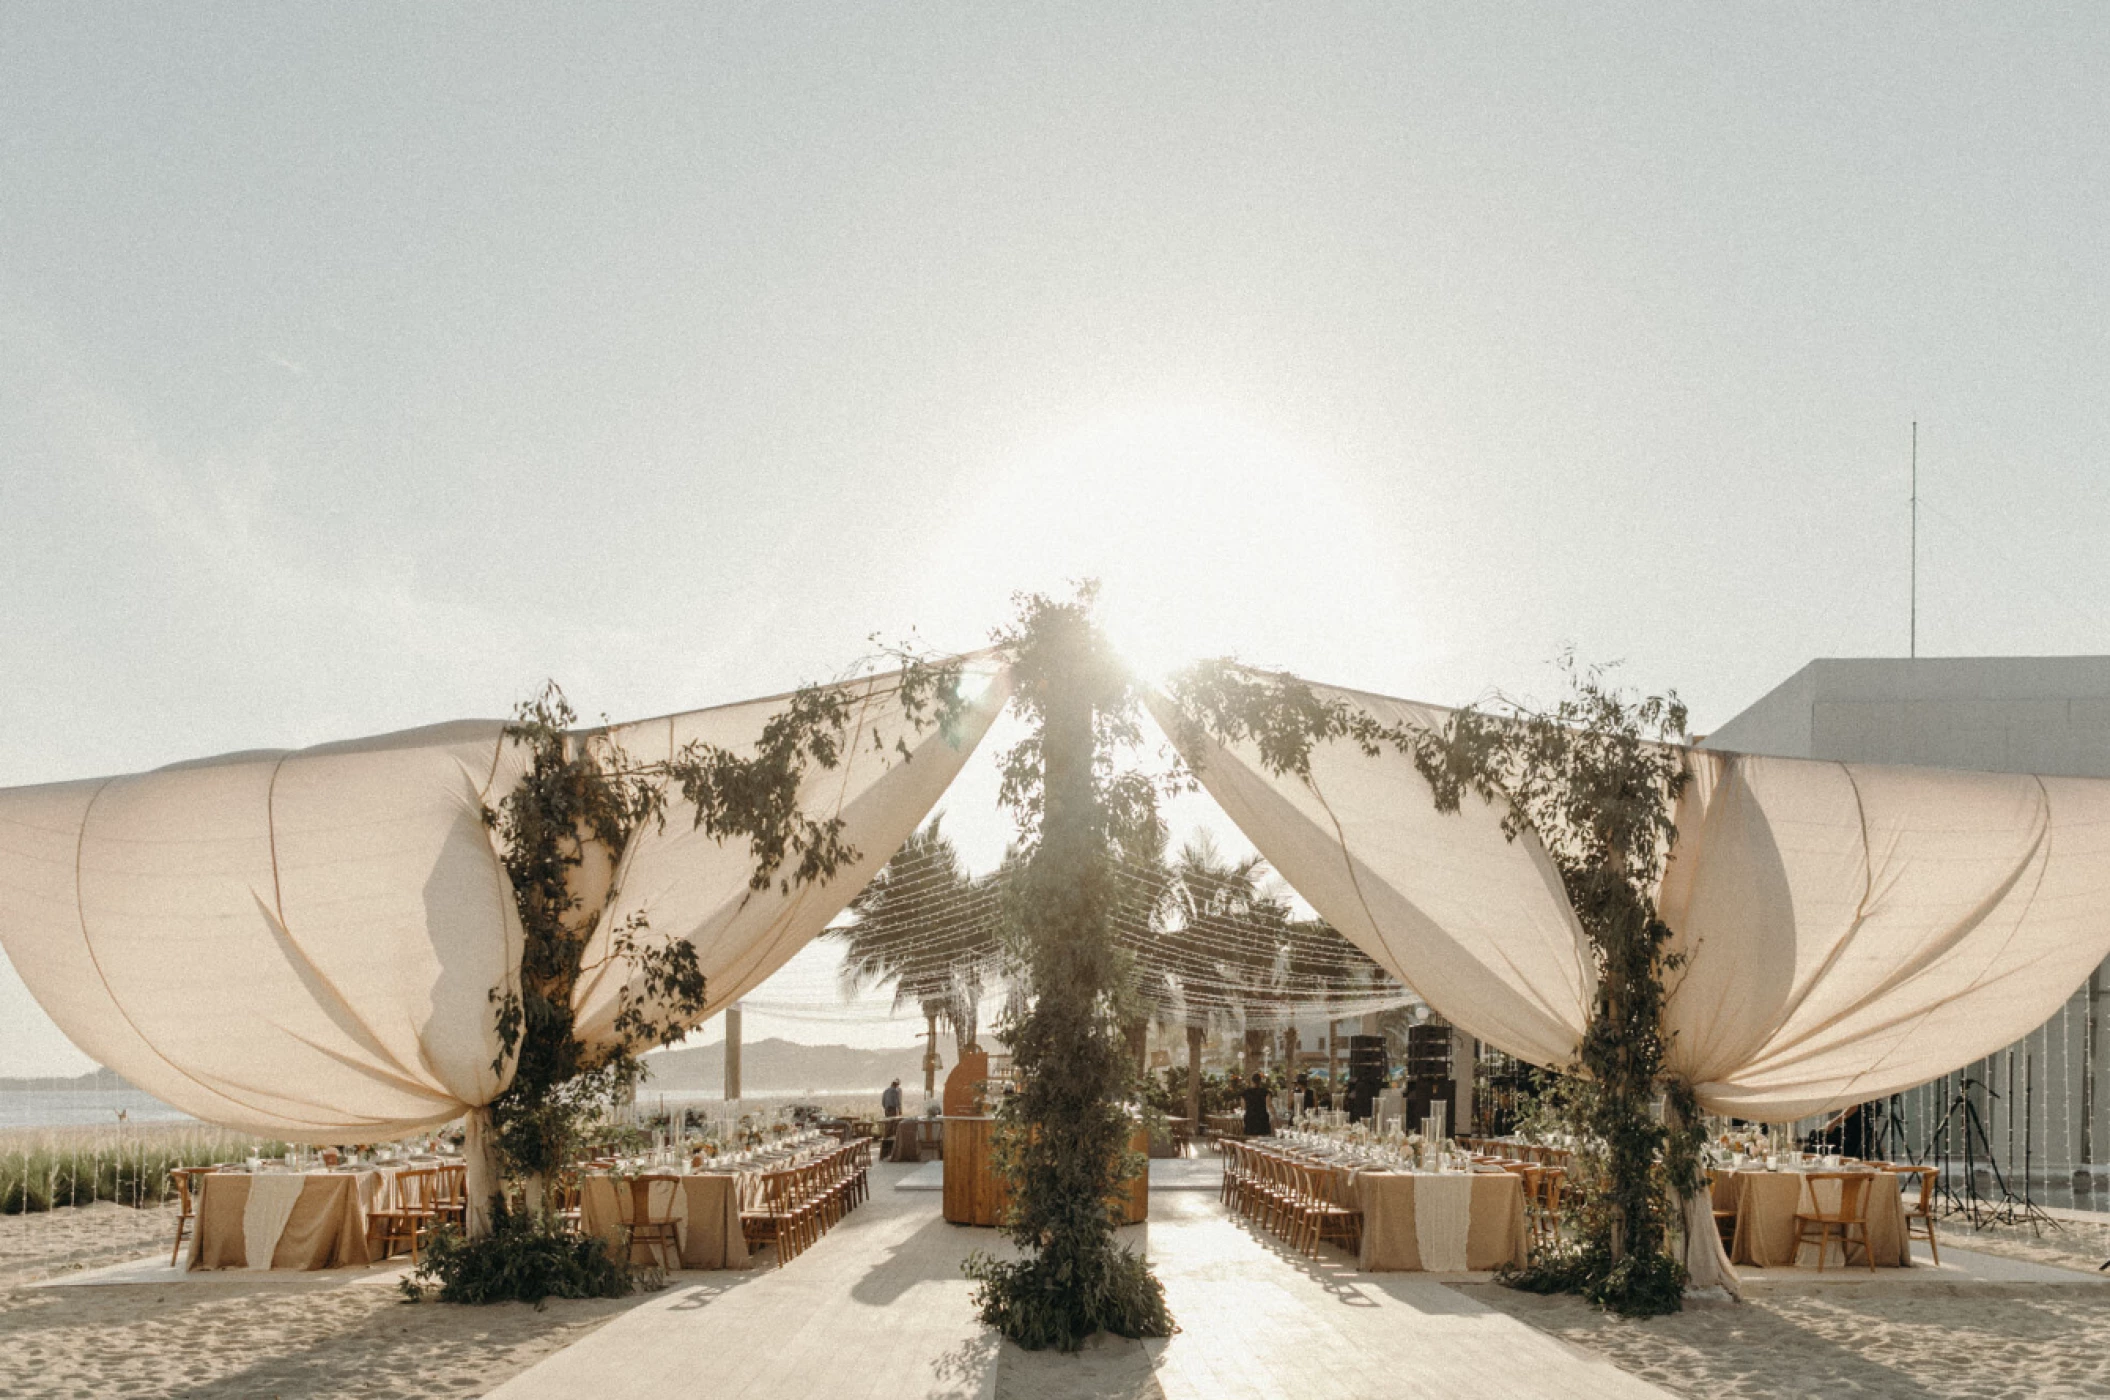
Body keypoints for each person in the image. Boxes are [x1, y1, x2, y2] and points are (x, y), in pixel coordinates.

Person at [1240, 1071, 1273, 1138]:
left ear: (1251, 1081)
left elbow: (1243, 1107)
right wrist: (1274, 1115)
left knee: (1251, 1140)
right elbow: (1269, 1106)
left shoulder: (1245, 1093)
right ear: (1260, 1081)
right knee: (1263, 1140)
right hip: (1262, 1118)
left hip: (1250, 1118)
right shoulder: (1266, 1092)